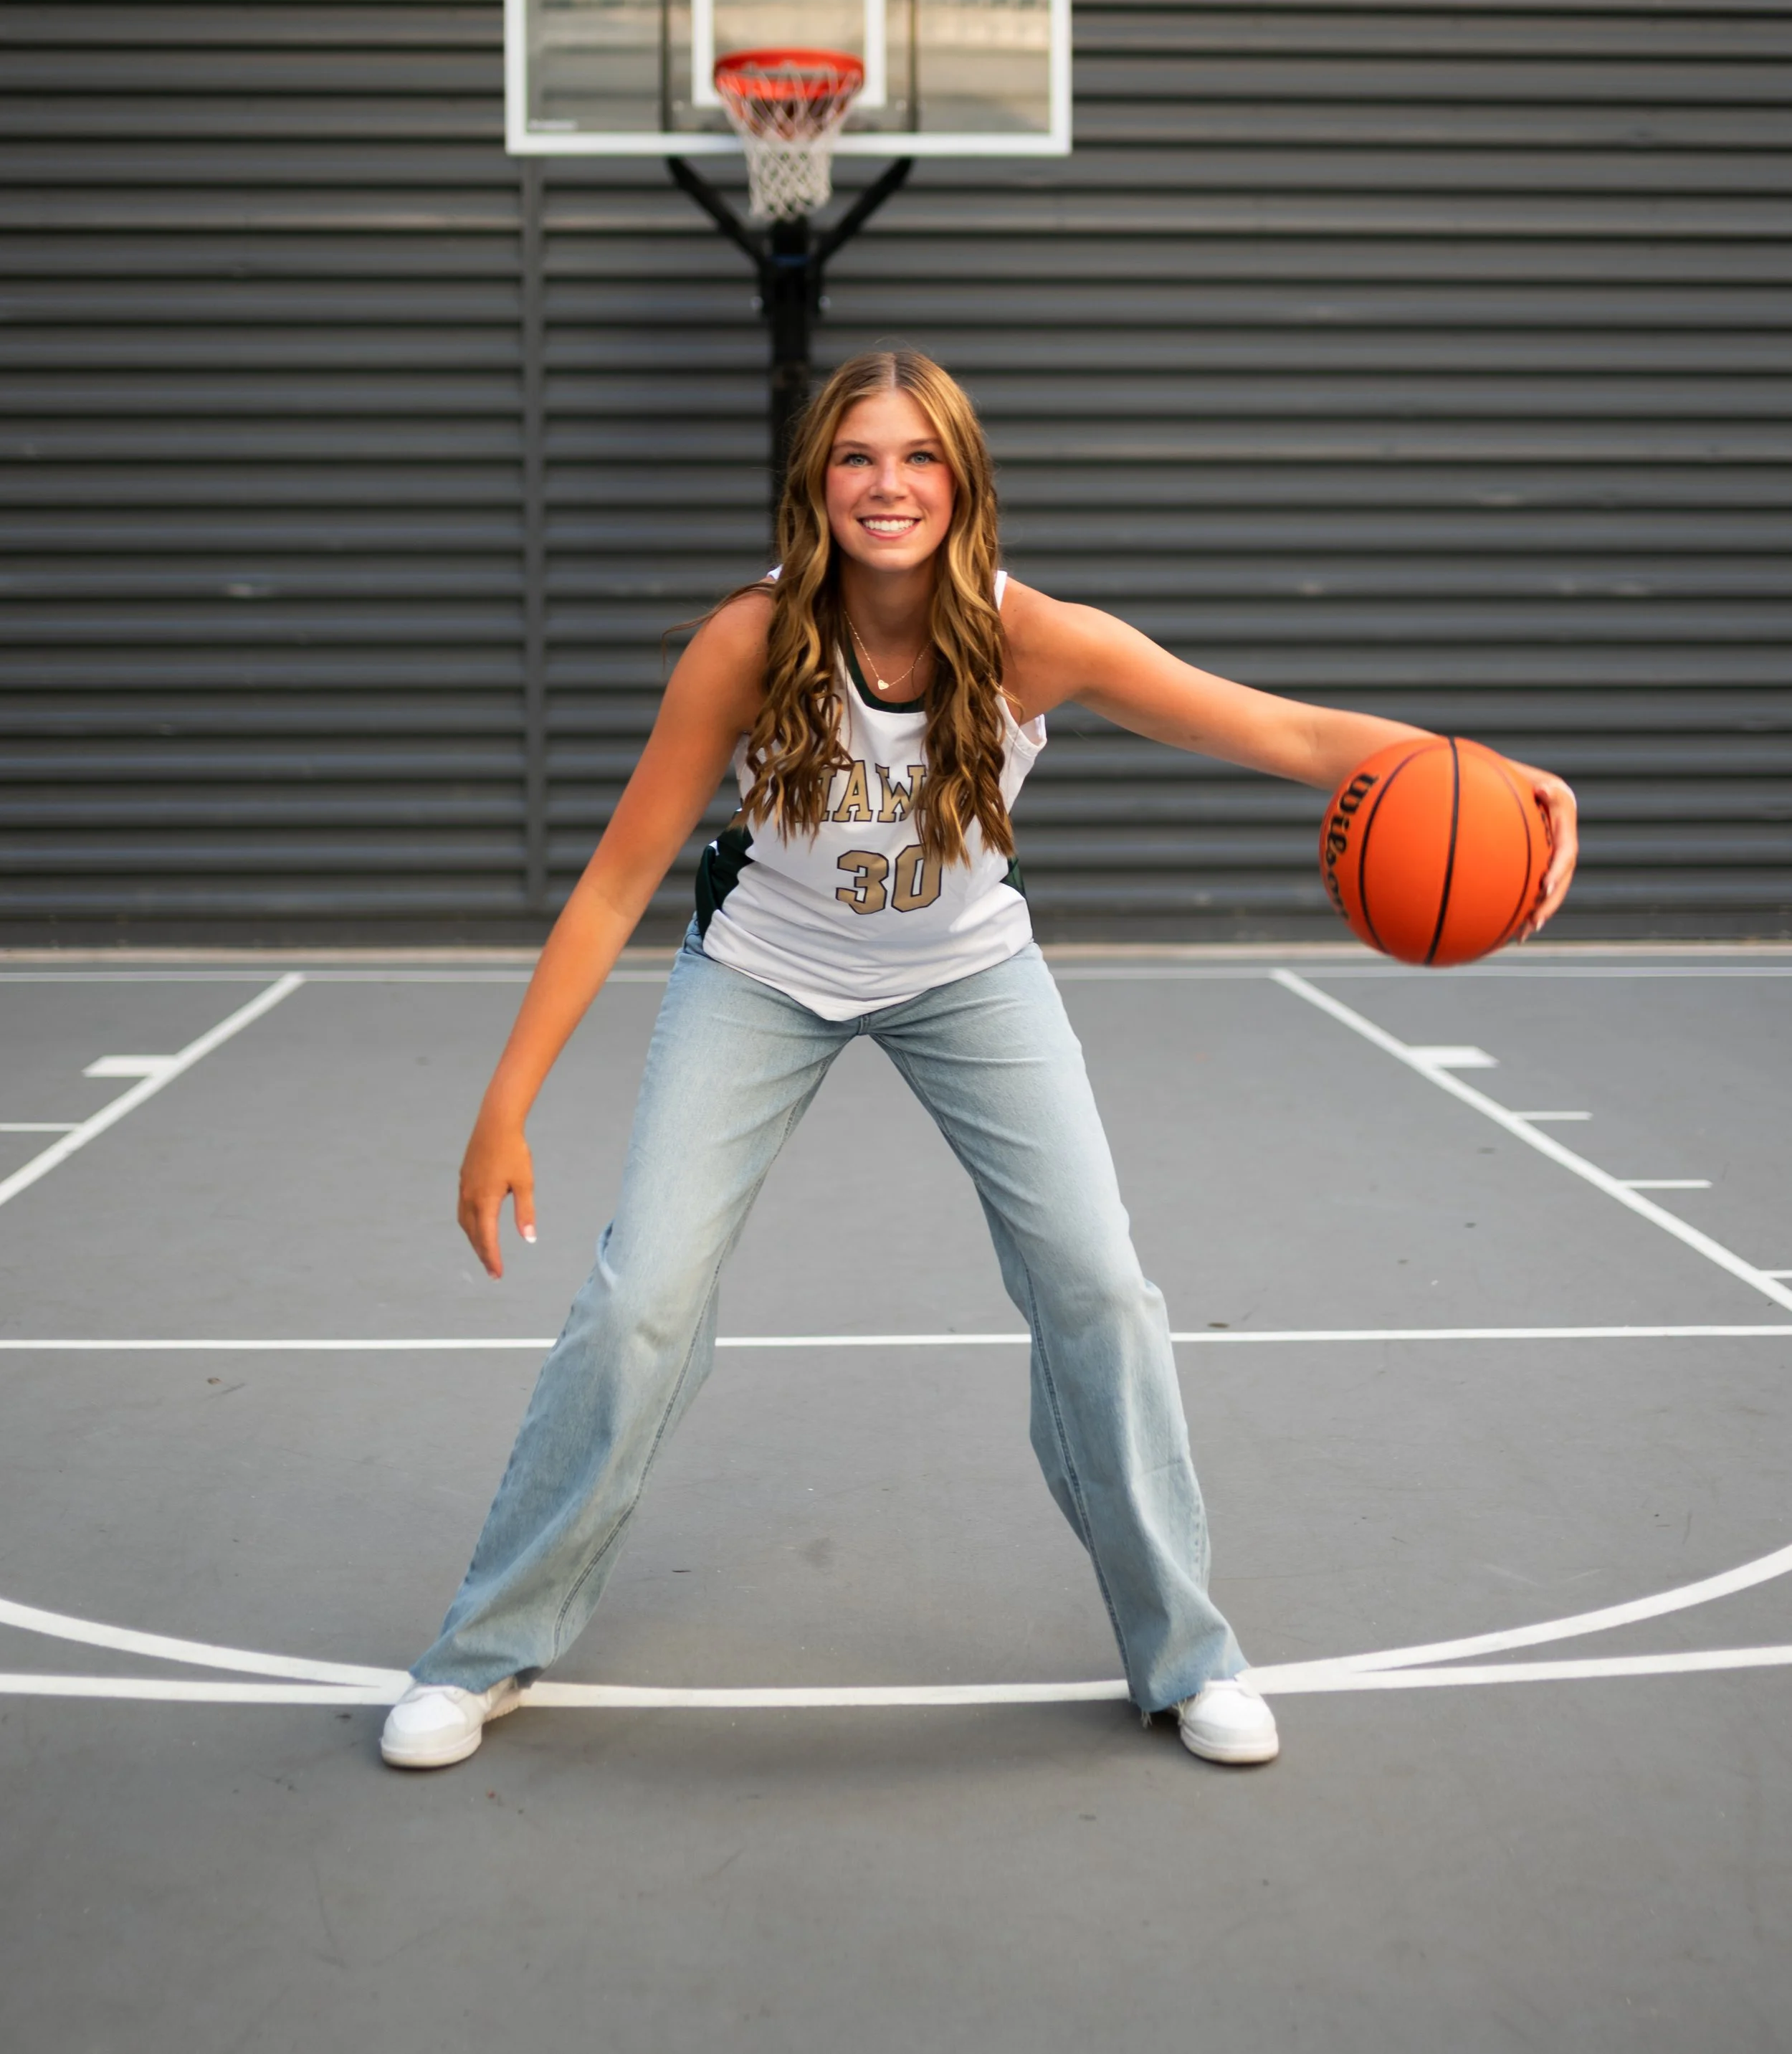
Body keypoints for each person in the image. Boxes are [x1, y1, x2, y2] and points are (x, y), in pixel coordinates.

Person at [381, 348, 1578, 1772]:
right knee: (640, 1299)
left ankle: (1185, 1656)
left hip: (964, 974)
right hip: (763, 972)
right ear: (814, 485)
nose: (886, 485)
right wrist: (502, 1104)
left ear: (962, 484)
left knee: (1098, 1287)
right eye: (856, 458)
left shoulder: (1031, 640)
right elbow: (613, 878)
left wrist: (1487, 776)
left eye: (917, 459)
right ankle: (483, 1651)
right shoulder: (747, 645)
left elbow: (1281, 728)